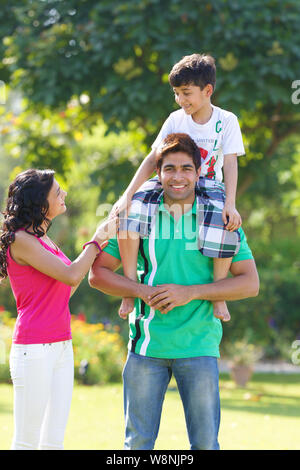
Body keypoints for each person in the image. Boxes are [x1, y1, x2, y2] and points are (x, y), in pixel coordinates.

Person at [89, 134, 259, 450]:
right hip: (145, 348)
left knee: (206, 444)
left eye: (185, 168)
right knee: (137, 444)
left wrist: (192, 292)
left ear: (198, 173)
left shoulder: (219, 220)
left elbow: (250, 283)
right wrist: (138, 290)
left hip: (199, 346)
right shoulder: (138, 216)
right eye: (169, 169)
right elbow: (97, 273)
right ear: (158, 173)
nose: (177, 176)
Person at [116, 53, 245, 323]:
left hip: (209, 185)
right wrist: (128, 195)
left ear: (207, 90)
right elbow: (153, 158)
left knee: (223, 224)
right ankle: (129, 289)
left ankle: (217, 294)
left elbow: (231, 163)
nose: (180, 100)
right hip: (172, 179)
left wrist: (230, 203)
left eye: (186, 93)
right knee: (128, 216)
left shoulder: (226, 121)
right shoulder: (175, 119)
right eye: (176, 93)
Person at [0, 168, 117, 450]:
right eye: (57, 191)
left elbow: (66, 285)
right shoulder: (21, 241)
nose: (64, 194)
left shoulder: (42, 238)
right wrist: (97, 240)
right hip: (34, 349)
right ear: (41, 203)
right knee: (27, 442)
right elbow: (72, 275)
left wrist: (90, 255)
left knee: (53, 442)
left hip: (62, 345)